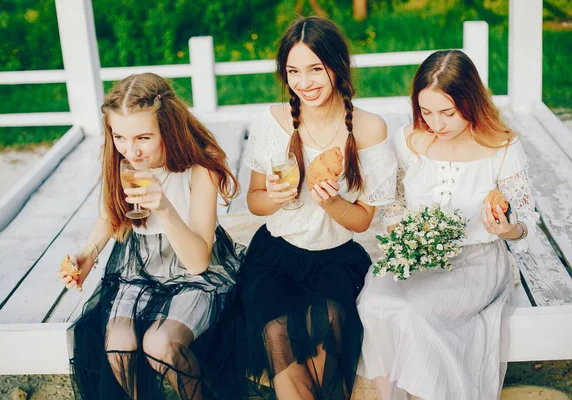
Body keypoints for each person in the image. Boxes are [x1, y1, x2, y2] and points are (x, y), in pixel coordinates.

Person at [356, 49, 540, 400]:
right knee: (374, 303)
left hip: (476, 260)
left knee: (416, 313)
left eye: (447, 113)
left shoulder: (501, 145)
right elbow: (394, 202)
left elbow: (525, 220)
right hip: (415, 256)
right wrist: (405, 239)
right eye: (426, 112)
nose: (436, 124)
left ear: (470, 103)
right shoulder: (409, 140)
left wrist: (506, 228)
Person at [231, 16, 397, 400]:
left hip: (335, 259)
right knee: (276, 331)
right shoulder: (271, 122)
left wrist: (332, 202)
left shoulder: (368, 129)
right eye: (293, 71)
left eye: (315, 69)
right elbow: (254, 202)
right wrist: (275, 196)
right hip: (274, 257)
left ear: (337, 66)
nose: (304, 83)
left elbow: (362, 222)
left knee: (327, 326)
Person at [57, 72, 244, 400]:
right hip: (139, 268)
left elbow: (198, 261)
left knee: (160, 345)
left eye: (143, 138)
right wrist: (88, 253)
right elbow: (109, 215)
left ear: (168, 128)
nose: (131, 151)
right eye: (120, 137)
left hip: (196, 273)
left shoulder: (201, 168)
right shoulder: (122, 161)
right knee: (118, 345)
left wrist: (165, 207)